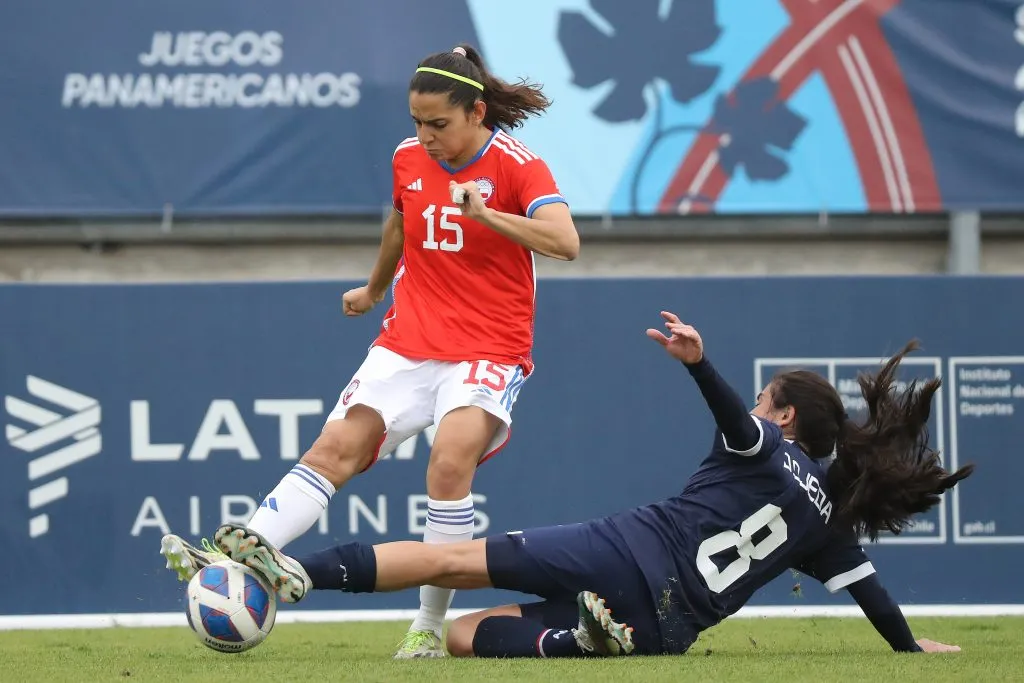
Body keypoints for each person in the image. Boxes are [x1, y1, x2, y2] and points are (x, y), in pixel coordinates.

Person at [212, 311, 972, 658]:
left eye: (770, 396)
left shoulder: (767, 443)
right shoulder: (825, 522)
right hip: (668, 629)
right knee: (462, 636)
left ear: (789, 417)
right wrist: (910, 648)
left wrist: (699, 364)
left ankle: (288, 572)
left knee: (451, 563)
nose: (761, 404)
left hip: (628, 550)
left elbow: (736, 423)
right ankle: (566, 641)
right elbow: (871, 594)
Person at [159, 42, 579, 659]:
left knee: (448, 463)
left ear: (476, 112)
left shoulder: (518, 166)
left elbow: (566, 242)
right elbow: (401, 223)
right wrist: (374, 287)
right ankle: (234, 559)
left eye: (438, 124)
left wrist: (488, 214)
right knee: (336, 449)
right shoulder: (409, 157)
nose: (426, 137)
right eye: (417, 122)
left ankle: (429, 628)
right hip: (409, 340)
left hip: (488, 349)